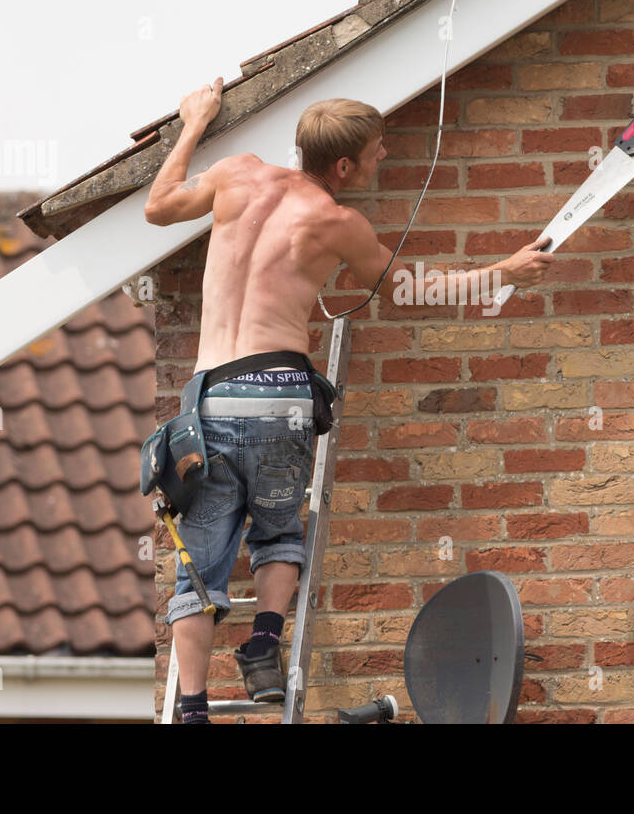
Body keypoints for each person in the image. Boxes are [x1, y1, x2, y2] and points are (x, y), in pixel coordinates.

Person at [144, 78, 554, 722]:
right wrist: (504, 270)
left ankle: (191, 709)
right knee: (278, 533)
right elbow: (413, 291)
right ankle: (262, 644)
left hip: (212, 401)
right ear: (343, 166)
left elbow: (159, 206)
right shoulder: (337, 223)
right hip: (279, 398)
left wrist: (194, 121)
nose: (384, 158)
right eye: (376, 152)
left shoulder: (234, 175)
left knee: (197, 570)